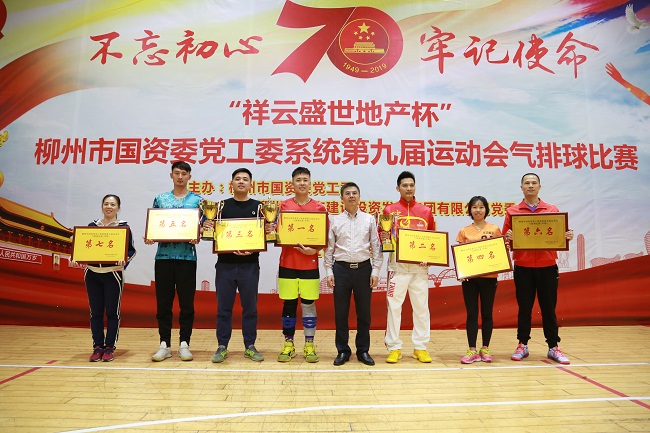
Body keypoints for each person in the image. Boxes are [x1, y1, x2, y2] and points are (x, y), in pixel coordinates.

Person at [503, 173, 574, 365]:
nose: (530, 186)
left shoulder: (552, 210)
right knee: (524, 308)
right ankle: (522, 345)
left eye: (534, 183)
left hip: (547, 266)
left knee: (549, 308)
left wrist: (566, 236)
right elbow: (504, 241)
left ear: (540, 187)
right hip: (523, 267)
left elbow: (559, 236)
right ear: (521, 187)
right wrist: (508, 238)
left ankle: (553, 347)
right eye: (527, 183)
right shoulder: (512, 211)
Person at [145, 161, 202, 362]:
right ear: (171, 175)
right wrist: (150, 235)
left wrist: (198, 234)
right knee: (163, 303)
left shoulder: (198, 201)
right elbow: (154, 224)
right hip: (163, 257)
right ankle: (165, 344)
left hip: (187, 257)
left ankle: (184, 343)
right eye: (176, 173)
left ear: (189, 177)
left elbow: (204, 226)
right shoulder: (161, 199)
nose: (180, 177)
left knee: (187, 304)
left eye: (184, 173)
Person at [324, 182, 383, 366]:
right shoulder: (334, 220)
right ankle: (343, 350)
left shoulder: (369, 219)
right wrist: (329, 271)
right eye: (347, 193)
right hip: (341, 270)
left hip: (364, 270)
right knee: (341, 313)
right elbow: (329, 248)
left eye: (354, 193)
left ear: (359, 197)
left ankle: (363, 350)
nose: (351, 196)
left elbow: (376, 247)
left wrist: (375, 271)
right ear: (341, 198)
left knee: (364, 313)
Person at [208, 168, 264, 363]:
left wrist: (258, 242)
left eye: (245, 179)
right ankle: (222, 346)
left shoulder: (259, 207)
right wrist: (208, 226)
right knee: (224, 309)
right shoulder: (220, 207)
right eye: (237, 179)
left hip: (249, 265)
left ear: (250, 184)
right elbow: (213, 234)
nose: (241, 182)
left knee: (250, 308)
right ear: (231, 183)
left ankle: (250, 346)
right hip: (225, 265)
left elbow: (264, 234)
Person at [380, 171, 436, 364]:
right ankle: (394, 347)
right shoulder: (389, 211)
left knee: (421, 308)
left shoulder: (425, 212)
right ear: (398, 188)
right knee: (394, 308)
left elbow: (432, 240)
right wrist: (384, 237)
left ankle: (420, 347)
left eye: (411, 185)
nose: (409, 188)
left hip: (419, 269)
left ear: (415, 187)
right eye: (404, 185)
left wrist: (429, 258)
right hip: (397, 268)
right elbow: (382, 237)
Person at [272, 167, 327, 363]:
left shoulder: (319, 208)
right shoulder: (283, 206)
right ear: (292, 183)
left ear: (310, 183)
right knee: (289, 304)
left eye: (305, 180)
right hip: (287, 263)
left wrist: (315, 250)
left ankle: (309, 344)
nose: (302, 183)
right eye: (298, 180)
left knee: (308, 304)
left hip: (310, 265)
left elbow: (325, 238)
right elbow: (275, 233)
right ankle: (289, 344)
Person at [74, 194, 136, 362]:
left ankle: (109, 347)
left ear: (118, 208)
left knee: (112, 312)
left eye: (113, 204)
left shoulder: (124, 228)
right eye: (106, 204)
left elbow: (131, 251)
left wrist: (124, 259)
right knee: (95, 312)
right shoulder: (92, 226)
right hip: (92, 273)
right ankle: (97, 346)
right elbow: (82, 247)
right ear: (102, 207)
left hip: (113, 274)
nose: (109, 207)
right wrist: (76, 257)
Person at [455, 196, 502, 364]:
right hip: (470, 279)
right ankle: (472, 349)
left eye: (481, 207)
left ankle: (486, 348)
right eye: (474, 207)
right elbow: (460, 254)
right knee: (472, 314)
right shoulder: (464, 231)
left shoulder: (494, 229)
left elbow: (499, 252)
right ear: (470, 210)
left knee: (487, 313)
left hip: (489, 277)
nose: (478, 210)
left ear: (486, 210)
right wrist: (461, 272)